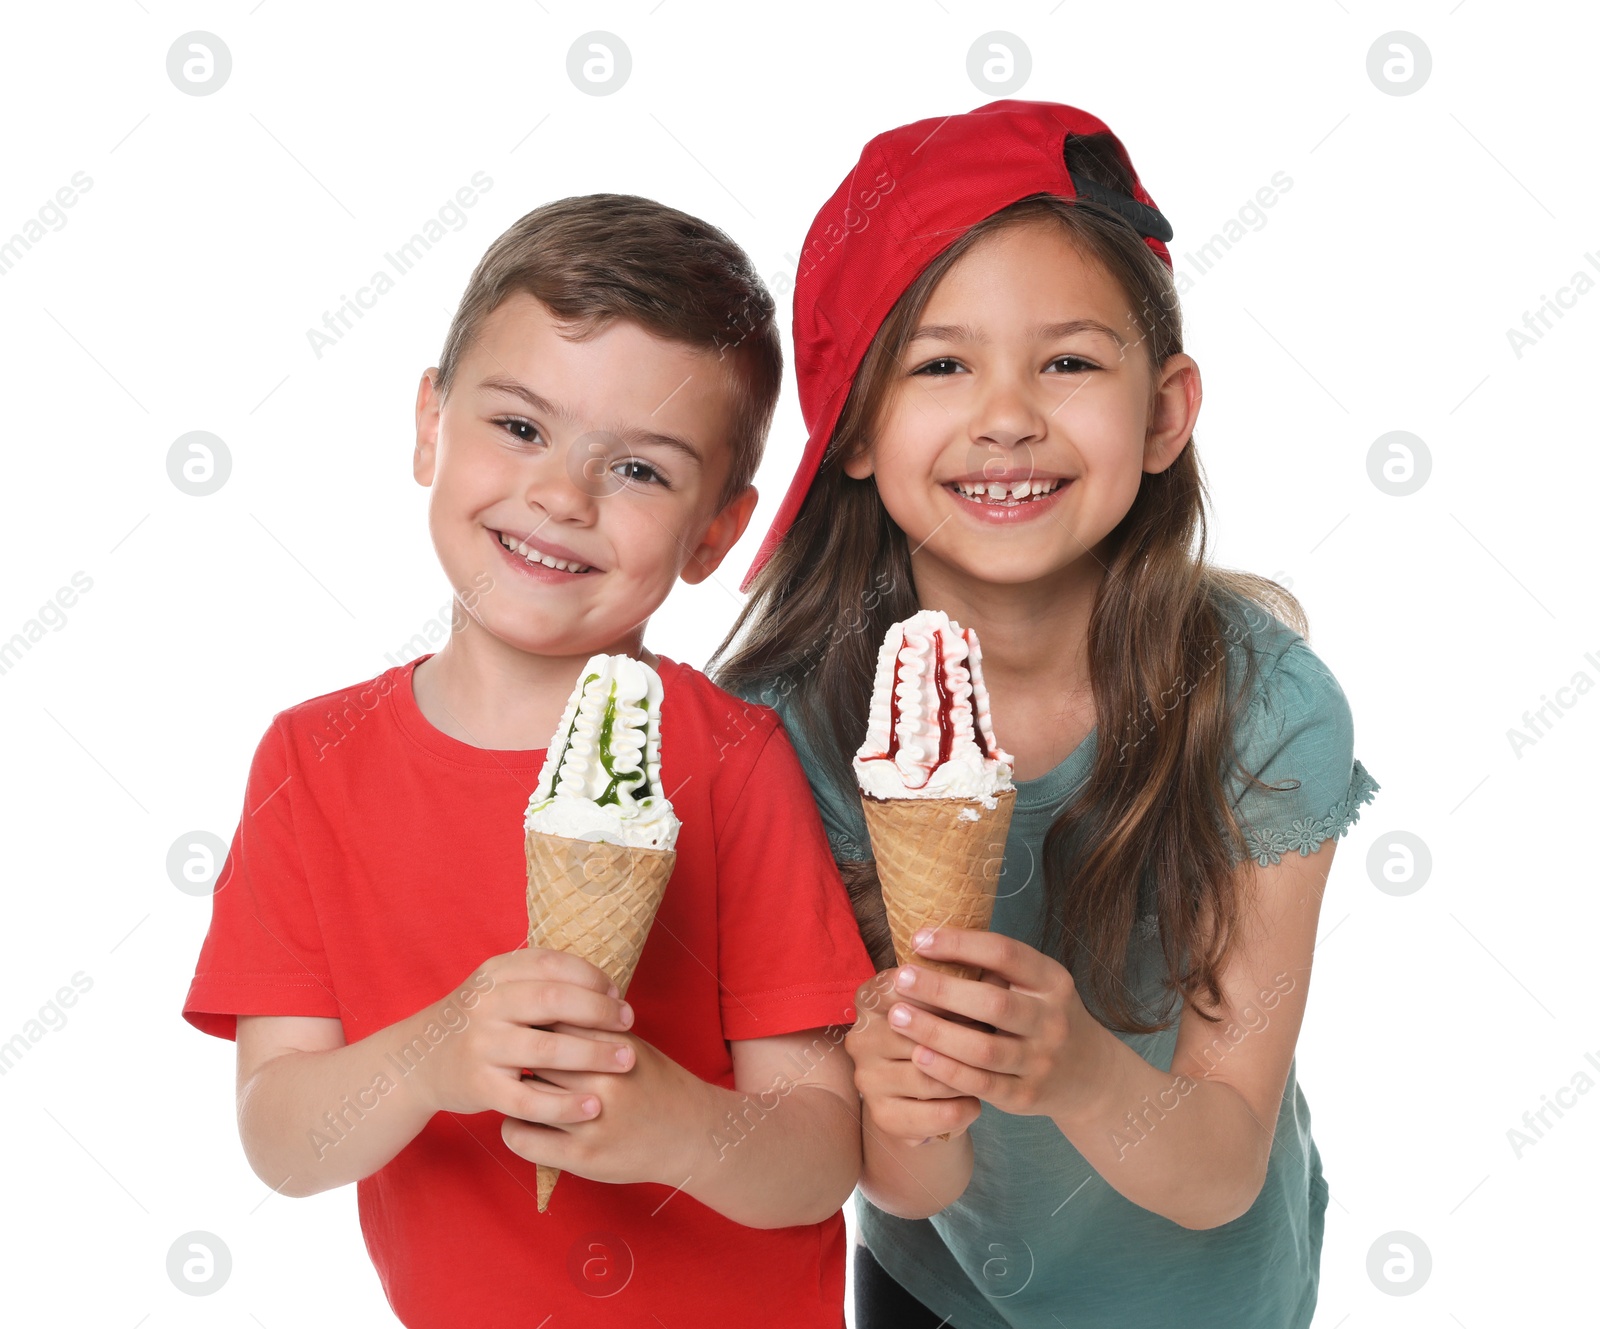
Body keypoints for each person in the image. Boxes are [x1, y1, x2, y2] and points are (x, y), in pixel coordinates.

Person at [712, 100, 1380, 1328]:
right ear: (854, 428)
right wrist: (908, 1097)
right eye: (940, 363)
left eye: (1067, 361)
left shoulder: (1262, 707)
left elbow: (1221, 1164)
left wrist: (1071, 1069)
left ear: (1166, 411)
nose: (1007, 414)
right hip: (942, 1284)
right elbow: (904, 1177)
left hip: (1211, 1296)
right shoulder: (782, 733)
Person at [182, 193, 875, 1329]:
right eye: (519, 427)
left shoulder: (734, 761)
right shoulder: (313, 760)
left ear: (715, 531)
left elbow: (818, 1152)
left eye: (641, 470)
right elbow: (282, 1139)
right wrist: (426, 1058)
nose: (561, 495)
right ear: (428, 423)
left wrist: (673, 1127)